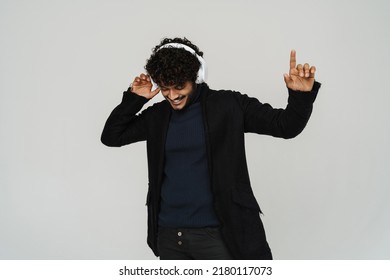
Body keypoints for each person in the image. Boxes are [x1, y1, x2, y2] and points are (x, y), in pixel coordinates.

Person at [101, 37, 321, 260]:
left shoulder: (229, 105)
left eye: (179, 86)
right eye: (165, 88)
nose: (173, 96)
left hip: (219, 237)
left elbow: (286, 126)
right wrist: (134, 99)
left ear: (196, 77)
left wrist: (300, 97)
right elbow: (111, 136)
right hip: (169, 237)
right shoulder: (157, 116)